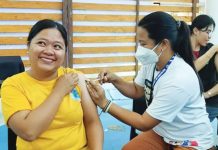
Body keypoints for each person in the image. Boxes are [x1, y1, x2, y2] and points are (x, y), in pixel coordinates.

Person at [86, 11, 214, 150]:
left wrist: (105, 104)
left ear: (163, 44)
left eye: (143, 43)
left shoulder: (179, 78)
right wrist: (115, 79)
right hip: (163, 132)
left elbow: (143, 123)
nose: (139, 49)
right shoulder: (152, 62)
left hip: (189, 141)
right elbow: (136, 90)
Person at [1, 19, 103, 150]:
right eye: (41, 43)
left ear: (65, 52)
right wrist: (59, 90)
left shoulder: (75, 77)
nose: (49, 51)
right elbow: (28, 131)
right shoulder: (13, 85)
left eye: (57, 46)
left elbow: (92, 122)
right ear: (28, 46)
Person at [190, 14, 218, 123]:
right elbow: (191, 69)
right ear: (196, 31)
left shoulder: (212, 49)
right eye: (208, 32)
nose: (210, 36)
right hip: (191, 103)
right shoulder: (182, 49)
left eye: (211, 32)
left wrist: (206, 95)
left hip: (211, 103)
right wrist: (214, 49)